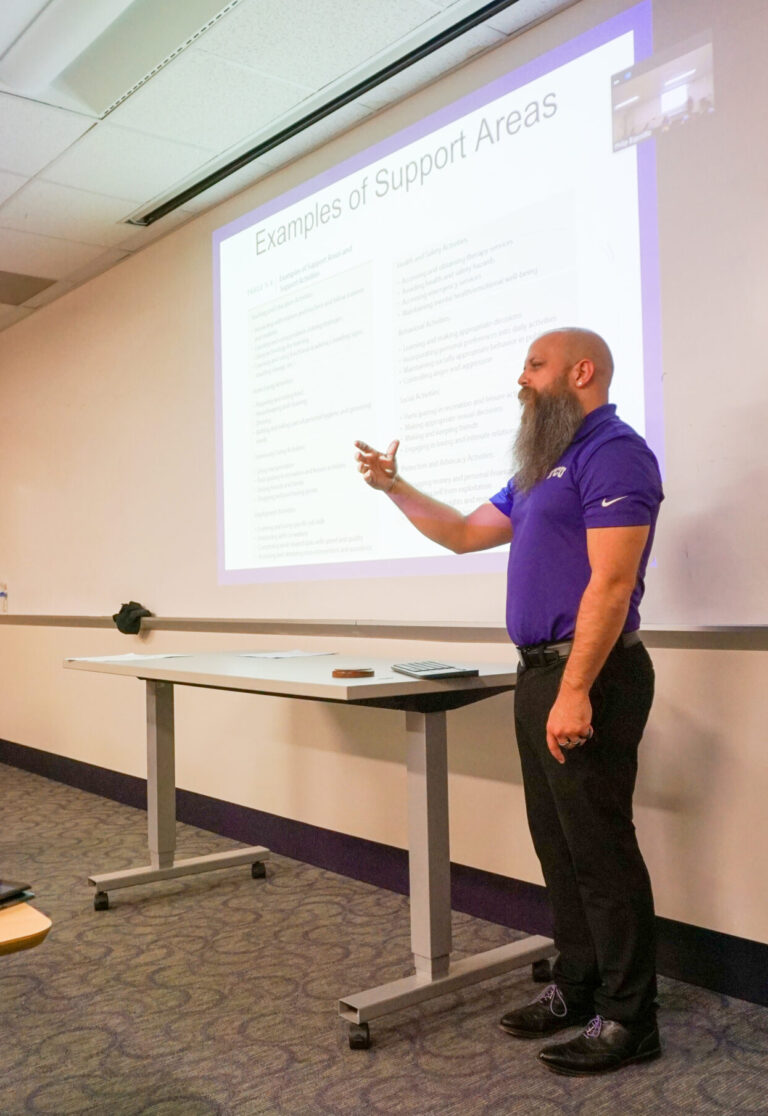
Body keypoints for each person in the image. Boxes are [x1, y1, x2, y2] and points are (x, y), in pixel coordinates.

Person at [355, 327, 663, 1076]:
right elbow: (462, 534)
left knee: (599, 849)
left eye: (534, 365)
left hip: (591, 675)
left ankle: (630, 1020)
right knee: (558, 846)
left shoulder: (614, 452)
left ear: (580, 371)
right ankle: (578, 986)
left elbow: (612, 585)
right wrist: (396, 487)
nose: (520, 378)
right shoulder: (541, 465)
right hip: (538, 677)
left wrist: (578, 690)